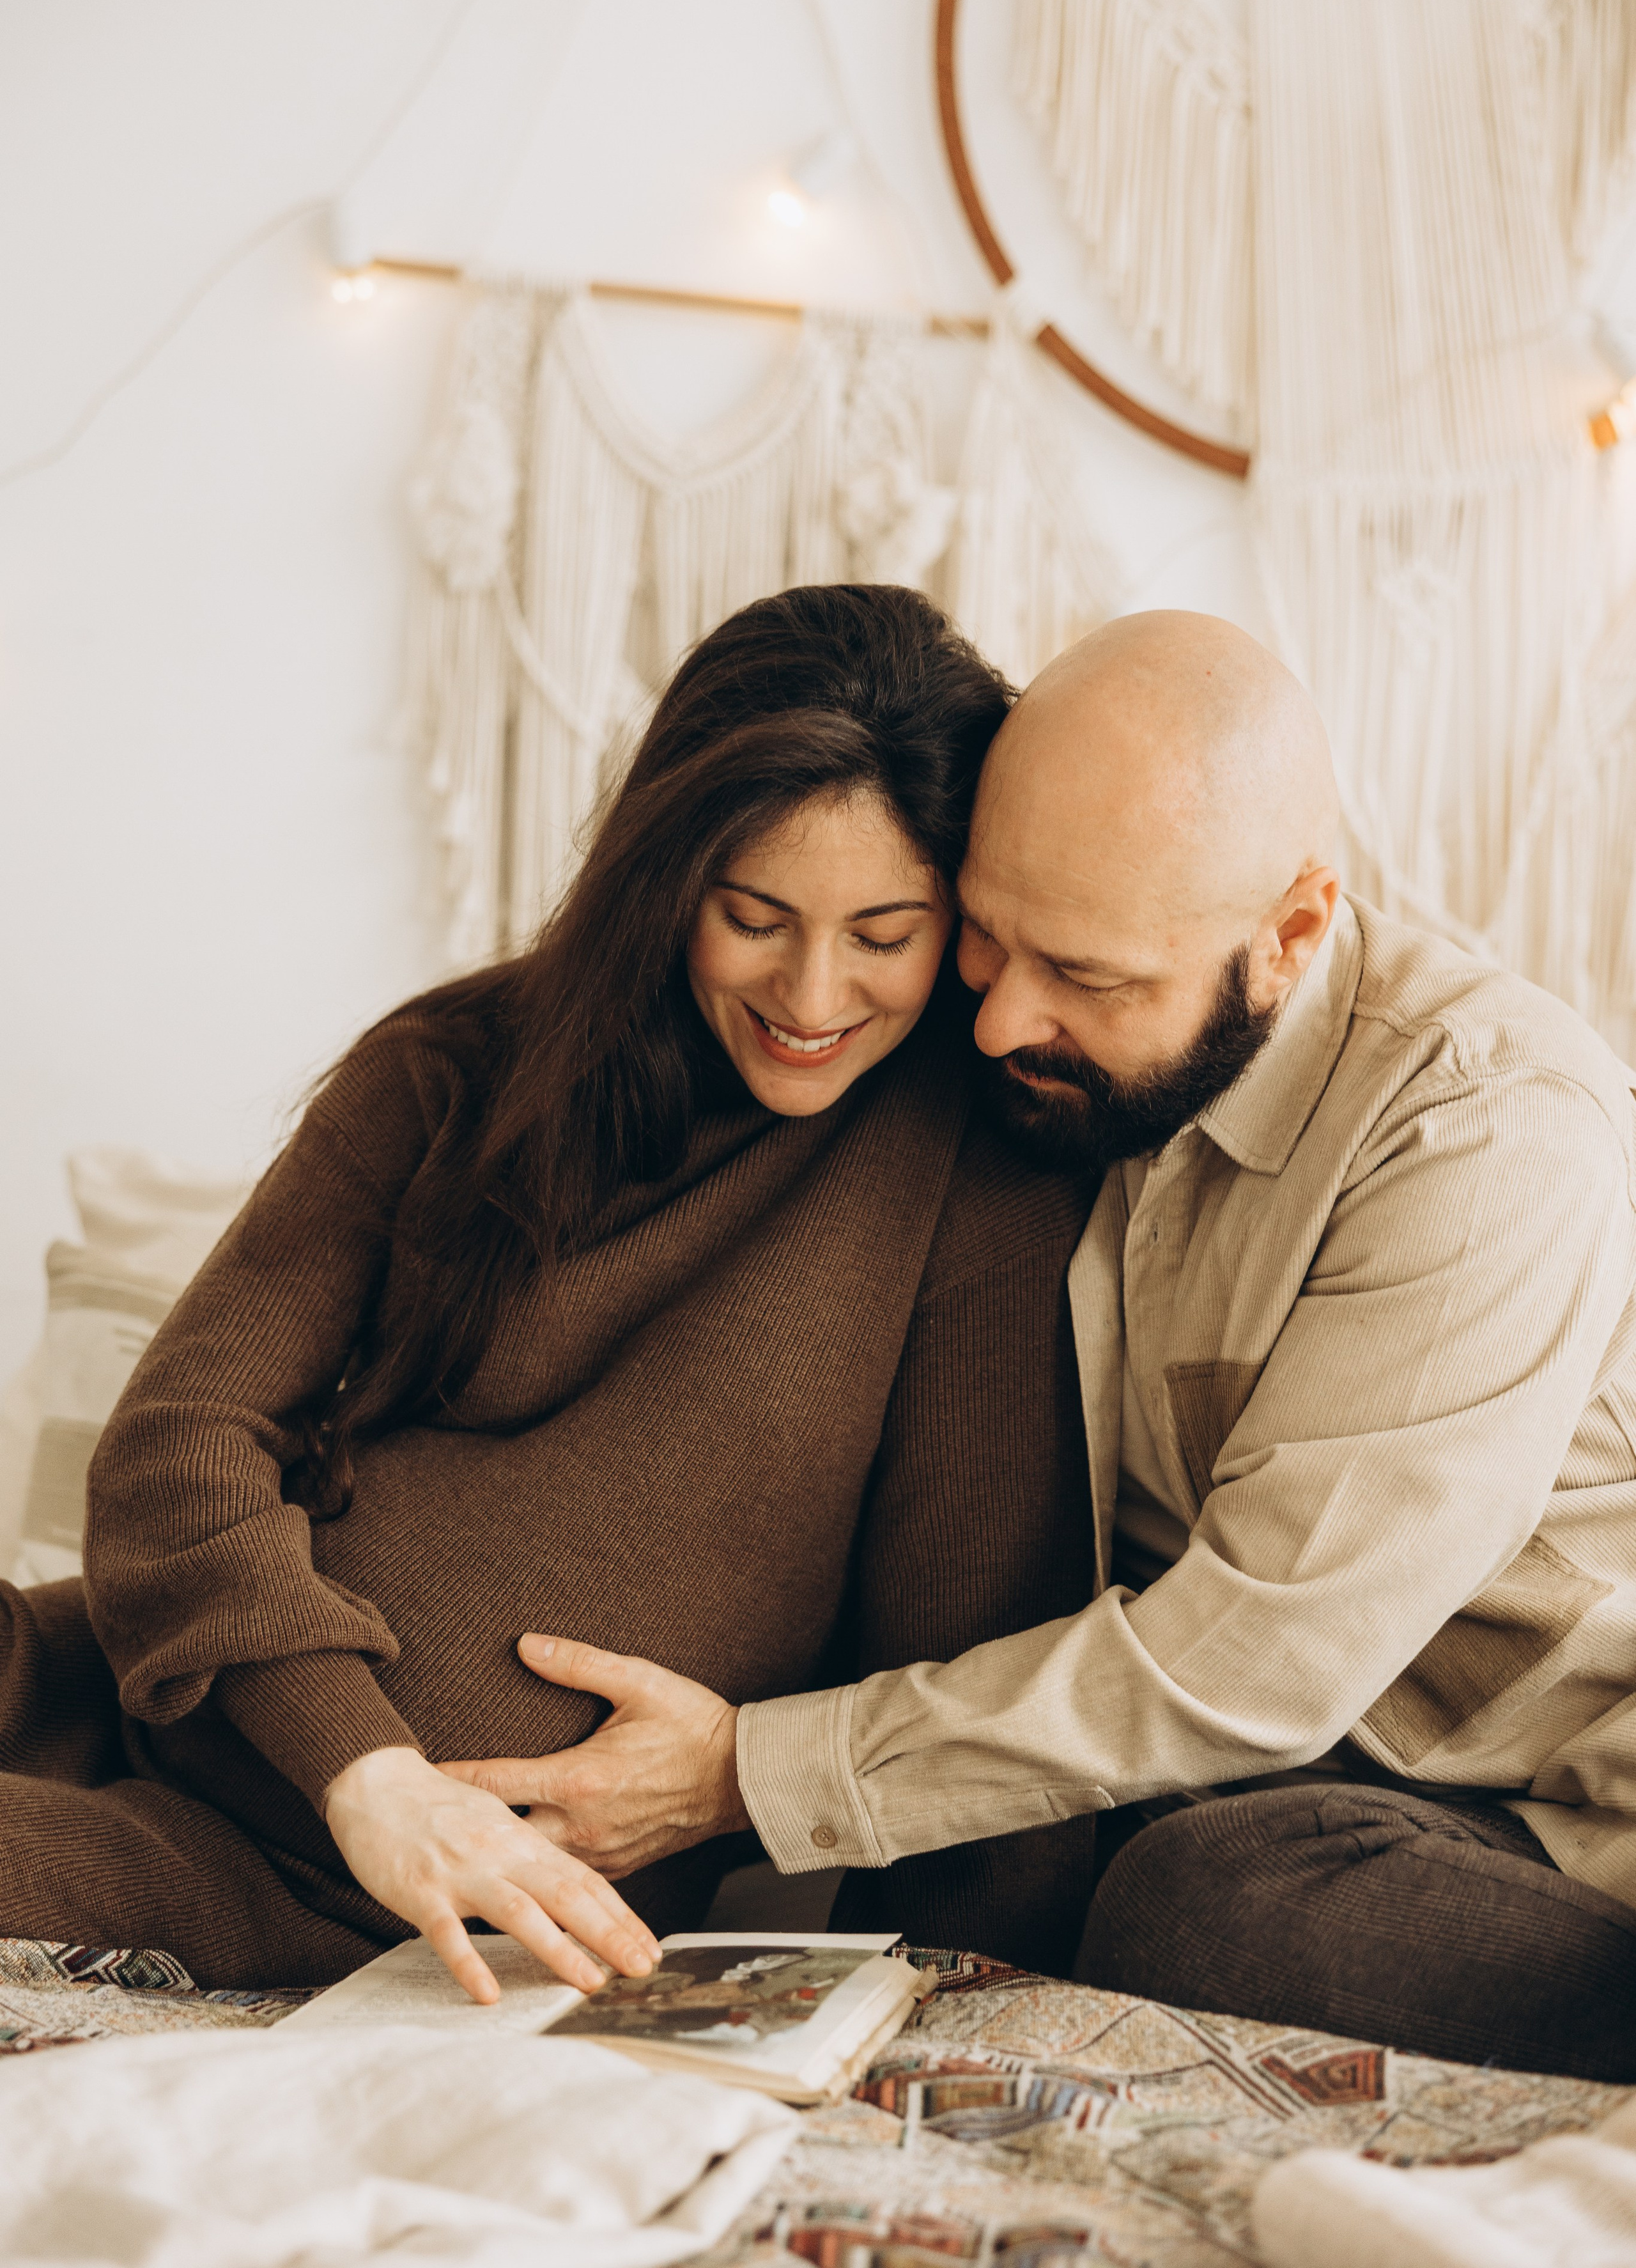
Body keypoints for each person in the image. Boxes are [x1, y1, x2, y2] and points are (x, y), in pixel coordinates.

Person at [472, 609, 1636, 2082]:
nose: (1006, 1013)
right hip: (1270, 1763)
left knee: (1201, 1906)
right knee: (1035, 1874)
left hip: (1541, 1796)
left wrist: (741, 1775)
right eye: (981, 932)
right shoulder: (1005, 1061)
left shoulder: (1484, 1127)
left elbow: (1259, 1666)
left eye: (1086, 977)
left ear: (1284, 937)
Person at [1, 584, 1100, 1998]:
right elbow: (183, 1438)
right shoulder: (461, 1065)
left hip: (324, 1898)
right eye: (752, 916)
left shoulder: (969, 1174)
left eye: (883, 935)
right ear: (666, 882)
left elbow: (968, 1664)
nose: (812, 990)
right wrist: (371, 1773)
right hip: (146, 1685)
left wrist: (967, 2006)